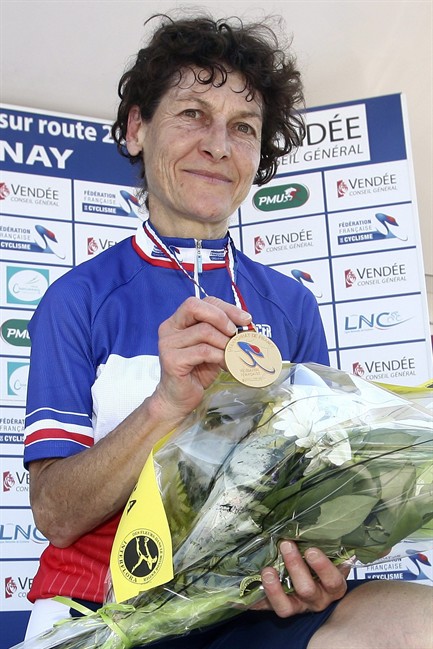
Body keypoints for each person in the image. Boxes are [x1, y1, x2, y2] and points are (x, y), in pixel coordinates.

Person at [23, 12, 432, 649]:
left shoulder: (291, 304)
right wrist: (165, 405)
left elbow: (322, 489)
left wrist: (326, 566)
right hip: (103, 606)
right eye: (192, 114)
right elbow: (54, 513)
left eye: (243, 127)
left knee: (418, 621)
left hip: (251, 605)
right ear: (136, 129)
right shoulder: (77, 300)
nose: (218, 144)